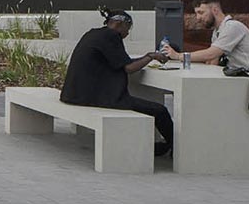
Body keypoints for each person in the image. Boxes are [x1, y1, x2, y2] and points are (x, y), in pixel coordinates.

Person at [61, 9, 174, 157]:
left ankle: (165, 146)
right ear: (120, 24)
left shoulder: (94, 33)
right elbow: (129, 68)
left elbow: (121, 62)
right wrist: (150, 56)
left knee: (150, 108)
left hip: (74, 94)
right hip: (94, 97)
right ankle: (176, 148)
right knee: (160, 110)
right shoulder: (112, 36)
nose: (127, 33)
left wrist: (144, 59)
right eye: (128, 28)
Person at [159, 0, 249, 71]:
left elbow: (211, 54)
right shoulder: (217, 32)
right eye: (196, 13)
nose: (198, 18)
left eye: (201, 12)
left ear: (215, 10)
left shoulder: (233, 27)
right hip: (241, 78)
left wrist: (178, 56)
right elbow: (212, 61)